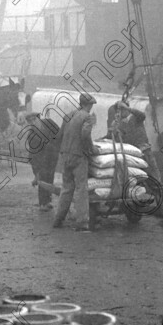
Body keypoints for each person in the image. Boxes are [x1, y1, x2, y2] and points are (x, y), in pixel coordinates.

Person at [107, 101, 163, 224]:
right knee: (131, 184)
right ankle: (131, 210)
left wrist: (129, 108)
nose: (120, 113)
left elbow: (142, 115)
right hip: (132, 159)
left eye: (122, 110)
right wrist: (114, 129)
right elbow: (116, 139)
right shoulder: (120, 124)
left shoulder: (136, 118)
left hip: (145, 154)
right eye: (118, 111)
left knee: (156, 182)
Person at [53, 94, 97, 232]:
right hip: (79, 156)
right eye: (91, 105)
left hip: (65, 155)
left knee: (66, 188)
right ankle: (82, 222)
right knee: (81, 188)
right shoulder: (87, 117)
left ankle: (58, 219)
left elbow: (60, 135)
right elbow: (85, 135)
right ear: (89, 105)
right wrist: (91, 149)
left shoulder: (69, 115)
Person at [24, 112, 61, 211]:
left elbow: (60, 134)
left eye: (34, 120)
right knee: (42, 178)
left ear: (39, 118)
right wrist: (36, 172)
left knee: (50, 177)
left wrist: (58, 148)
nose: (32, 123)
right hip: (41, 159)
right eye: (30, 122)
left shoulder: (49, 123)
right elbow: (33, 154)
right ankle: (42, 203)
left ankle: (48, 200)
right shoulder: (31, 135)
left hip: (53, 156)